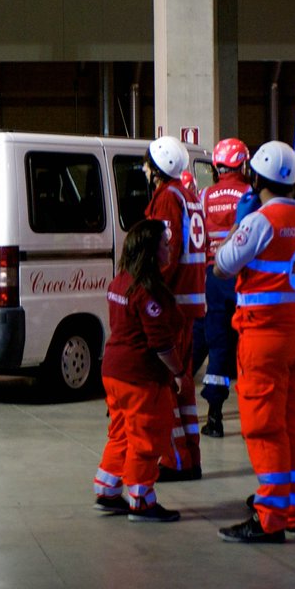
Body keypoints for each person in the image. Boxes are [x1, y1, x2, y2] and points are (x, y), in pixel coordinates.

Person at [213, 140, 295, 543]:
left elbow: (223, 266)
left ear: (256, 179)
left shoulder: (260, 222)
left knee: (265, 427)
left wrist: (236, 229)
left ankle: (269, 518)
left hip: (262, 337)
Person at [93, 218, 186, 523]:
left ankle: (107, 490)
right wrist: (179, 371)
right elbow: (160, 343)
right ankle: (142, 500)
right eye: (164, 244)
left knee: (120, 432)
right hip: (140, 378)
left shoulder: (120, 281)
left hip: (113, 372)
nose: (169, 247)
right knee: (147, 436)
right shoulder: (148, 292)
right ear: (149, 251)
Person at [142, 136, 207, 480]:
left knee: (166, 385)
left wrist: (147, 291)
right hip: (191, 303)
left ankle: (175, 462)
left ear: (158, 169)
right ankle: (190, 457)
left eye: (147, 164)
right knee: (183, 385)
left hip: (174, 304)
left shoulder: (167, 199)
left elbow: (165, 254)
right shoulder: (190, 196)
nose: (144, 169)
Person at [195, 138, 253, 437]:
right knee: (247, 346)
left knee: (217, 346)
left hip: (212, 279)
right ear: (242, 164)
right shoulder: (250, 194)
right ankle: (251, 417)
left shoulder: (203, 196)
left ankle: (214, 418)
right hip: (243, 278)